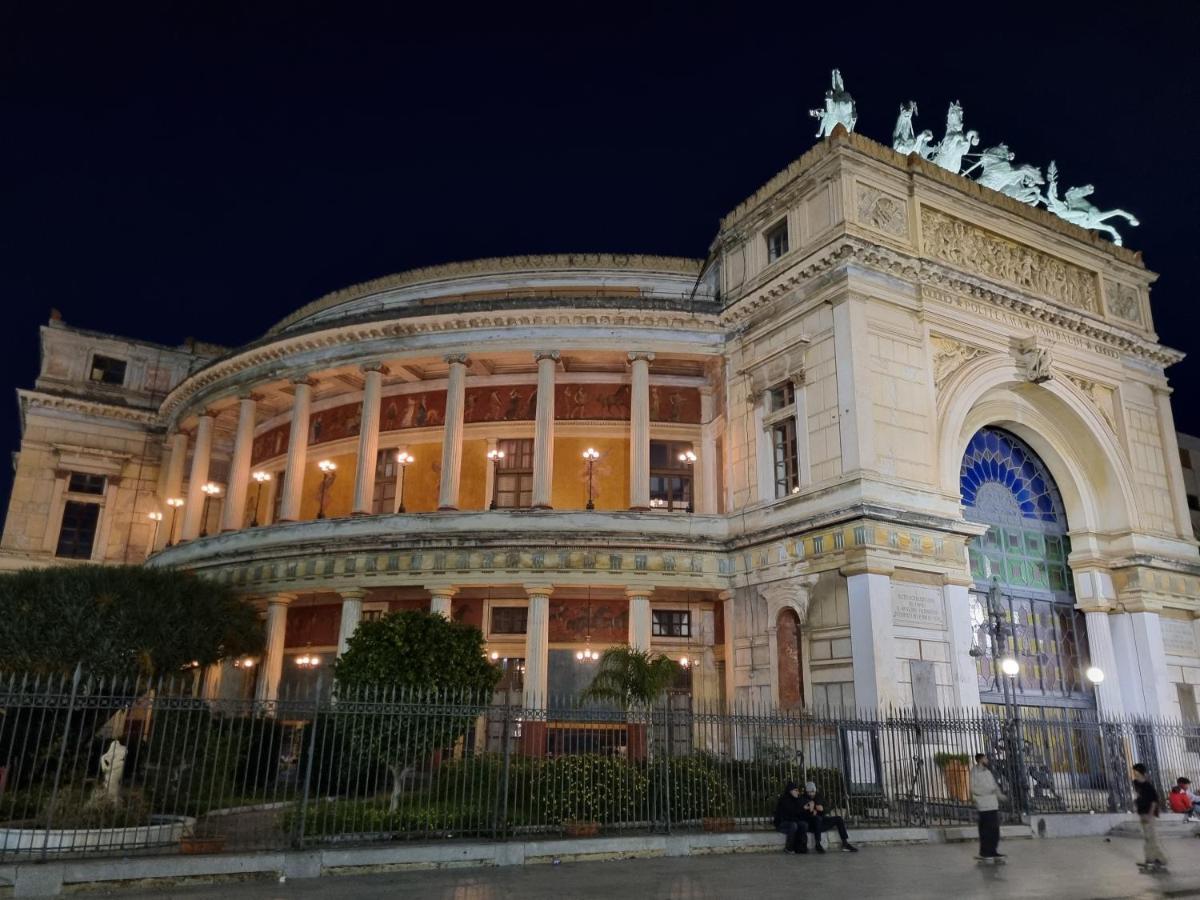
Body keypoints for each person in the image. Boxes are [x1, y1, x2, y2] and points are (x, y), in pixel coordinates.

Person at [798, 781, 858, 852]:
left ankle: (845, 843)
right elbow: (801, 812)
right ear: (806, 791)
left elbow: (828, 808)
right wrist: (811, 811)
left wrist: (822, 809)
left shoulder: (819, 796)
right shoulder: (802, 798)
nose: (811, 794)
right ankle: (818, 844)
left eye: (812, 792)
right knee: (817, 818)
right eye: (809, 792)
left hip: (822, 822)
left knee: (838, 819)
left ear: (815, 790)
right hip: (811, 825)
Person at [970, 752, 1006, 860]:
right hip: (983, 805)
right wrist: (988, 790)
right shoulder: (974, 773)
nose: (987, 760)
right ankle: (985, 852)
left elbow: (994, 786)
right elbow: (973, 789)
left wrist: (1000, 796)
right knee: (985, 830)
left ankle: (993, 851)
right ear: (980, 760)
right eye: (985, 758)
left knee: (995, 830)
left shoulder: (988, 772)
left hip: (993, 804)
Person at [1132, 763, 1168, 868]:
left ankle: (1159, 860)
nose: (1134, 773)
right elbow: (1139, 795)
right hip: (1142, 813)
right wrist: (1137, 806)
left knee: (1151, 838)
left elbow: (1154, 801)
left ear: (1141, 772)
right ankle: (1152, 860)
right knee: (1147, 838)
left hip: (1149, 814)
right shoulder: (1136, 783)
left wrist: (1149, 815)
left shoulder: (1148, 786)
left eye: (1135, 771)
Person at [773, 781, 811, 854]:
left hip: (792, 821)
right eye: (795, 790)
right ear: (790, 791)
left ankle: (802, 847)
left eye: (798, 790)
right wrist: (803, 808)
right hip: (782, 823)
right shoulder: (784, 800)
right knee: (794, 825)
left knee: (804, 824)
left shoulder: (796, 799)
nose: (798, 792)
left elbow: (800, 809)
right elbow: (791, 812)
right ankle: (788, 848)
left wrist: (809, 805)